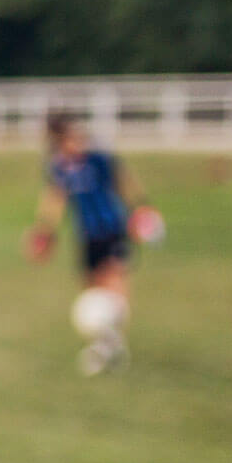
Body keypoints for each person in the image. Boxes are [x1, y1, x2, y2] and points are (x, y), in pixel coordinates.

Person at [24, 113, 153, 375]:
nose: (75, 141)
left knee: (116, 287)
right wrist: (44, 233)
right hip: (87, 237)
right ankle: (106, 344)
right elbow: (55, 200)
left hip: (113, 230)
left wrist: (140, 209)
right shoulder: (60, 167)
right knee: (93, 294)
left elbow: (125, 181)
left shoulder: (99, 158)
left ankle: (109, 348)